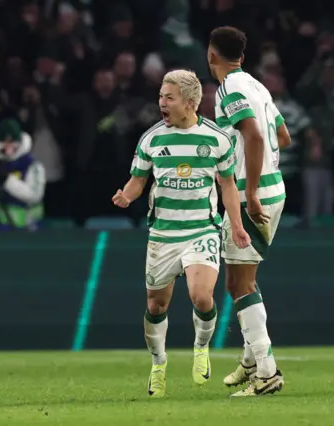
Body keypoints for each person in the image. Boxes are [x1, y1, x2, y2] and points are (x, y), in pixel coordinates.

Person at [112, 69, 251, 398]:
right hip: (162, 235)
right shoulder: (151, 139)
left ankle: (201, 346)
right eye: (160, 96)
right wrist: (126, 195)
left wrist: (238, 225)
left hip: (201, 230)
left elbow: (228, 187)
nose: (161, 102)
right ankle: (158, 364)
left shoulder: (217, 139)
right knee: (156, 306)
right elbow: (138, 180)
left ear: (189, 104)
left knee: (201, 296)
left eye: (168, 97)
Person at [207, 26, 292, 397]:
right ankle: (251, 360)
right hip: (274, 187)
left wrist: (252, 190)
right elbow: (282, 137)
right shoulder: (258, 86)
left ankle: (267, 373)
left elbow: (255, 135)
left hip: (248, 194)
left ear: (212, 55)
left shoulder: (230, 89)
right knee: (240, 280)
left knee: (239, 285)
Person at [0, 119, 46, 232]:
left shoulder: (32, 166)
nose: (8, 146)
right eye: (4, 141)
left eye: (12, 141)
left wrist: (6, 180)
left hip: (24, 230)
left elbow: (34, 195)